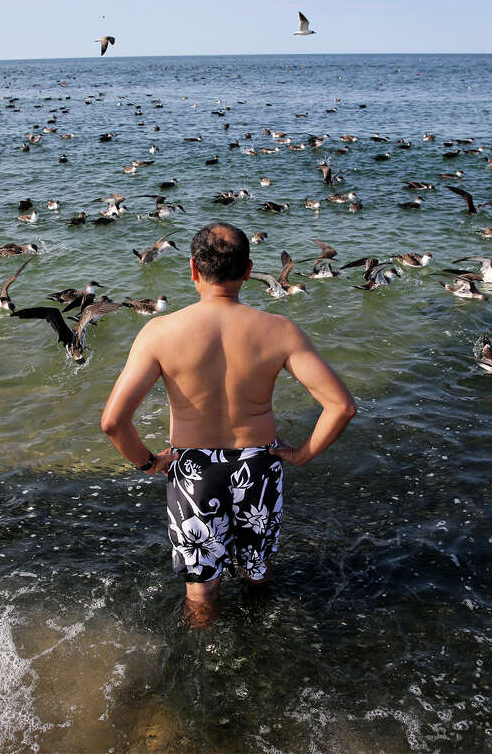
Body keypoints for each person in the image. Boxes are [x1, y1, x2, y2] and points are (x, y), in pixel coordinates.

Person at [100, 222, 356, 625]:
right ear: (249, 271)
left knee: (201, 586)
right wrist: (303, 454)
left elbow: (113, 422)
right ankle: (263, 637)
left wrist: (149, 463)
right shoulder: (280, 330)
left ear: (193, 270)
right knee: (257, 569)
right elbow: (340, 406)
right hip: (258, 465)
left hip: (194, 470)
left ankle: (205, 663)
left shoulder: (159, 332)